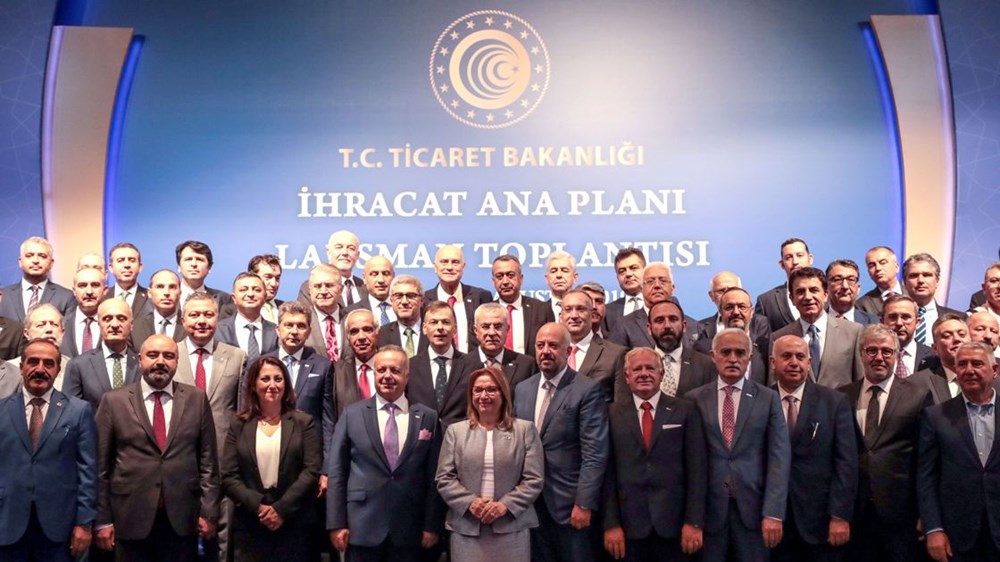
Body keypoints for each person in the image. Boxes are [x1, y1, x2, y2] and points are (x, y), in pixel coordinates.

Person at [95, 335, 220, 560]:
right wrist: (102, 520)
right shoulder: (114, 401)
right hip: (129, 516)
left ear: (177, 362)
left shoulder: (196, 399)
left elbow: (208, 461)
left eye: (168, 356)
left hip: (182, 517)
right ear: (139, 359)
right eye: (152, 355)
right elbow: (100, 467)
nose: (160, 361)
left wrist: (209, 512)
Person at [326, 345, 445, 561]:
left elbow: (434, 477)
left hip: (410, 528)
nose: (387, 376)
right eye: (381, 370)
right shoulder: (352, 414)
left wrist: (432, 524)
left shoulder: (427, 417)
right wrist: (336, 523)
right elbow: (337, 473)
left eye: (395, 370)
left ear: (407, 377)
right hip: (362, 527)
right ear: (374, 373)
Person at [686, 328, 791, 562]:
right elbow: (690, 462)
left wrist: (774, 513)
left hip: (754, 512)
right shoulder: (693, 399)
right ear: (713, 356)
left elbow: (779, 459)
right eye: (726, 352)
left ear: (750, 358)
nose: (733, 359)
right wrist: (692, 518)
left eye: (740, 353)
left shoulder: (768, 398)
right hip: (708, 513)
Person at [512, 322, 609, 562]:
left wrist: (584, 504)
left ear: (568, 351)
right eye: (540, 345)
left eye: (553, 346)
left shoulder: (587, 390)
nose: (546, 351)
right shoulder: (522, 389)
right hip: (529, 505)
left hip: (569, 506)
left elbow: (595, 453)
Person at [602, 347, 707, 562]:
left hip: (675, 526)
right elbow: (607, 473)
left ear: (662, 374)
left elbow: (697, 471)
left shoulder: (685, 410)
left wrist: (694, 522)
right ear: (626, 376)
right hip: (628, 527)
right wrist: (611, 524)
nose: (644, 374)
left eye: (650, 368)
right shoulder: (610, 414)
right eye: (637, 369)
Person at [839, 324, 931, 562]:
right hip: (854, 513)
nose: (879, 357)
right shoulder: (841, 396)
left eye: (887, 351)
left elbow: (926, 460)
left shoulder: (918, 395)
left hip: (902, 514)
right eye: (872, 350)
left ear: (897, 355)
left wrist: (927, 514)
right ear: (861, 354)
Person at [0, 339, 96, 561]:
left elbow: (88, 471)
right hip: (7, 521)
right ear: (21, 367)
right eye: (33, 362)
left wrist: (84, 523)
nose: (40, 369)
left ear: (58, 370)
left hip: (59, 525)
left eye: (48, 363)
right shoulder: (1, 410)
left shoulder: (78, 410)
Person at [436, 367, 544, 561]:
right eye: (478, 390)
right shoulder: (455, 431)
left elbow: (534, 479)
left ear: (503, 393)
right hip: (467, 528)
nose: (483, 396)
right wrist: (470, 503)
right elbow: (444, 478)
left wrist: (505, 505)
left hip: (511, 526)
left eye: (491, 389)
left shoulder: (524, 430)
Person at [221, 356, 321, 562]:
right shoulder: (238, 424)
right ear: (253, 385)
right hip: (251, 524)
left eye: (278, 379)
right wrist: (259, 507)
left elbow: (311, 471)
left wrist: (280, 509)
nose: (272, 385)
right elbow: (228, 475)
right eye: (265, 379)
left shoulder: (304, 422)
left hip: (294, 524)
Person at [769, 335, 857, 562]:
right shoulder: (760, 400)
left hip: (820, 520)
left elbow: (846, 464)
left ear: (809, 363)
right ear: (773, 362)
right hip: (772, 521)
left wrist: (839, 515)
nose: (794, 363)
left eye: (800, 357)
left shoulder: (834, 402)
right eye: (786, 356)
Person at [917, 342, 1000, 562]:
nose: (969, 370)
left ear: (994, 370)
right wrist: (933, 528)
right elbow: (926, 477)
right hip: (957, 534)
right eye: (962, 364)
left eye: (977, 363)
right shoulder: (935, 416)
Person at [771, 267, 864, 388]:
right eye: (800, 292)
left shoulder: (854, 332)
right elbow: (774, 386)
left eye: (814, 290)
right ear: (792, 298)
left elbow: (861, 382)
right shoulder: (779, 337)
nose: (807, 297)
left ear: (826, 295)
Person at [62, 298, 141, 410]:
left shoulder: (142, 363)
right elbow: (70, 411)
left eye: (121, 318)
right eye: (107, 319)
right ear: (99, 324)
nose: (114, 324)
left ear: (131, 324)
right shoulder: (78, 366)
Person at [406, 301, 475, 428]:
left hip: (460, 437)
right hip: (421, 437)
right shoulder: (410, 366)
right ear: (424, 328)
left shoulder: (472, 365)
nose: (440, 327)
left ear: (455, 328)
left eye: (446, 322)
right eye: (433, 322)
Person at [559, 289, 627, 402]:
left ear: (592, 315)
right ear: (561, 316)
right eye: (568, 309)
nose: (574, 315)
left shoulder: (616, 354)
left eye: (580, 309)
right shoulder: (550, 353)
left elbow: (621, 404)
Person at [424, 245, 493, 353]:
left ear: (463, 267)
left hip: (472, 362)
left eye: (455, 262)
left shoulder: (481, 297)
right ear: (435, 267)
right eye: (444, 262)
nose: (449, 267)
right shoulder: (423, 301)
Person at [646, 300, 717, 402]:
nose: (667, 326)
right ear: (649, 328)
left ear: (684, 326)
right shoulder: (637, 364)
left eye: (673, 319)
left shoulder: (706, 364)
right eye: (659, 320)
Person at [693, 287, 767, 383]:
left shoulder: (765, 347)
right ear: (720, 312)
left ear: (752, 312)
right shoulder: (703, 348)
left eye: (742, 307)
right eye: (729, 307)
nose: (736, 312)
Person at [0, 236, 75, 322]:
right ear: (20, 262)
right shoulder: (3, 296)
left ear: (51, 263)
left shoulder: (66, 297)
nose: (35, 260)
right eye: (29, 256)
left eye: (42, 256)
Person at [468, 302, 536, 395]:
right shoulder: (462, 365)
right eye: (485, 327)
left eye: (498, 327)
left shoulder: (526, 365)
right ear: (475, 330)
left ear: (507, 329)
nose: (492, 333)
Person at [492, 254, 553, 354]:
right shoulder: (486, 312)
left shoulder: (542, 309)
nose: (505, 281)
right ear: (493, 281)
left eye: (510, 275)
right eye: (499, 276)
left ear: (521, 279)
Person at [902, 253, 966, 345]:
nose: (920, 280)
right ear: (904, 282)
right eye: (914, 275)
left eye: (927, 275)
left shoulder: (960, 318)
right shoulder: (890, 318)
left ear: (937, 281)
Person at [215, 273, 278, 364]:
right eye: (243, 290)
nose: (250, 294)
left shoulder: (277, 332)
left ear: (264, 297)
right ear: (234, 298)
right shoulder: (218, 330)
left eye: (256, 290)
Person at [755, 238, 814, 333]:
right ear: (782, 264)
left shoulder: (829, 294)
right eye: (788, 257)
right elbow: (760, 338)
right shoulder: (766, 301)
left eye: (800, 255)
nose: (795, 261)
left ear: (810, 259)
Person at [297, 230, 367, 307]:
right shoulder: (312, 287)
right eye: (339, 247)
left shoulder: (365, 286)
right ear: (328, 252)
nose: (345, 253)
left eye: (351, 248)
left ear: (357, 255)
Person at [335, 308, 381, 416]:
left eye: (367, 330)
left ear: (378, 333)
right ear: (348, 337)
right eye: (354, 332)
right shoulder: (336, 373)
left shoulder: (391, 367)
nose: (361, 337)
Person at [881, 295, 938, 376]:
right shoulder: (870, 356)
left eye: (905, 317)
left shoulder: (933, 357)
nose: (899, 323)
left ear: (917, 322)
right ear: (882, 321)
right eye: (893, 317)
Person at [131, 269, 187, 349]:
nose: (166, 292)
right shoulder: (135, 328)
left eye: (172, 287)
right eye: (160, 287)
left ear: (180, 293)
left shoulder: (190, 325)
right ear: (149, 293)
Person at [60, 267, 107, 358]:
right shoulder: (61, 324)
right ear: (74, 291)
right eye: (82, 286)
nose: (89, 291)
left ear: (105, 290)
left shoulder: (114, 324)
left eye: (95, 285)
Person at [379, 275, 430, 357]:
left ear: (422, 300)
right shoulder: (381, 334)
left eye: (411, 296)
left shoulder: (433, 330)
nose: (404, 302)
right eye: (398, 296)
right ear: (391, 300)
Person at [303, 264, 345, 362]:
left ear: (341, 289)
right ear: (310, 291)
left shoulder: (351, 319)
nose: (323, 291)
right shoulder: (302, 321)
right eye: (317, 286)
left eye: (329, 285)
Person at [100, 242, 150, 318]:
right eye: (120, 260)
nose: (127, 265)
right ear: (111, 268)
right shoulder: (102, 297)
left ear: (140, 267)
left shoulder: (150, 298)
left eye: (132, 260)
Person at [174, 240, 229, 309]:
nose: (194, 264)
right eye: (188, 259)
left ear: (209, 267)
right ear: (179, 266)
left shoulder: (225, 300)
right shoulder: (167, 296)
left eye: (199, 259)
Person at [604, 248, 647, 335]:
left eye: (634, 268)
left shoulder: (661, 304)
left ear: (646, 271)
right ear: (617, 277)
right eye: (622, 271)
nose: (628, 274)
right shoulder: (608, 312)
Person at [826, 260, 879, 325]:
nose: (845, 286)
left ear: (858, 288)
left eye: (851, 280)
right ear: (826, 287)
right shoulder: (816, 320)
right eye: (838, 279)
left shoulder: (874, 323)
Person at [347, 255, 395, 327]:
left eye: (386, 274)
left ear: (393, 276)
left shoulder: (407, 308)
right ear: (364, 278)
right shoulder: (350, 313)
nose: (381, 280)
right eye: (374, 274)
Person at [856, 246, 904, 317]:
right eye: (872, 265)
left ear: (896, 267)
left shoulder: (914, 295)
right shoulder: (861, 305)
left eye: (883, 263)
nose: (878, 268)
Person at [543, 251, 580, 320]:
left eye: (564, 270)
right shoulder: (539, 312)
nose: (559, 275)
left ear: (575, 277)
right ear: (547, 279)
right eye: (553, 271)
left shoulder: (584, 309)